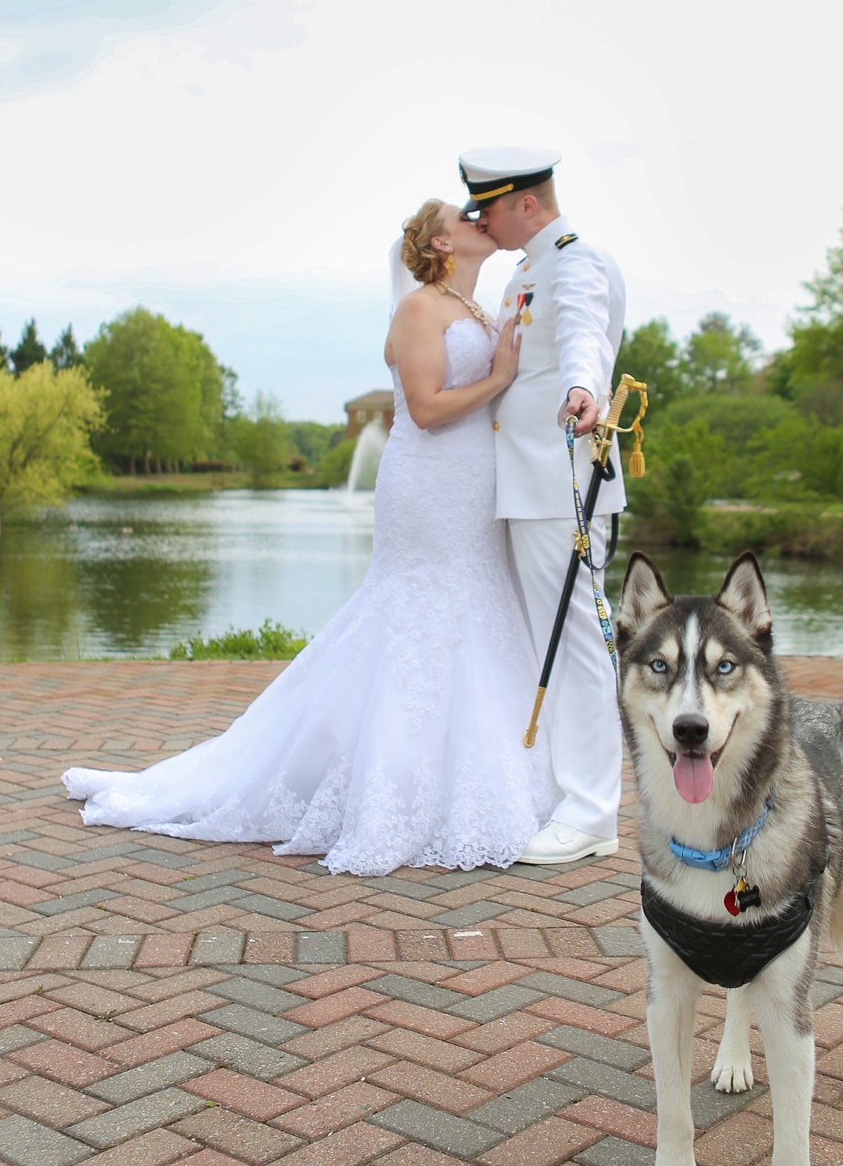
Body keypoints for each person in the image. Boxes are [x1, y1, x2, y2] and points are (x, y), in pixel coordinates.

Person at [63, 198, 556, 875]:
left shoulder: (479, 309)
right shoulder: (419, 308)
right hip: (428, 484)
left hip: (475, 485)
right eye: (465, 214)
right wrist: (499, 375)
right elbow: (424, 406)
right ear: (442, 241)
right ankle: (388, 791)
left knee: (476, 611)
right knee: (417, 614)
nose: (481, 217)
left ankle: (479, 780)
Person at [460, 146, 627, 865]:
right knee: (543, 641)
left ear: (526, 202)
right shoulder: (525, 271)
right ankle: (565, 790)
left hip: (561, 481)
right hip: (526, 482)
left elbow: (583, 334)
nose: (480, 221)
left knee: (577, 641)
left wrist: (583, 389)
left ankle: (592, 811)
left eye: (488, 207)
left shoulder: (573, 261)